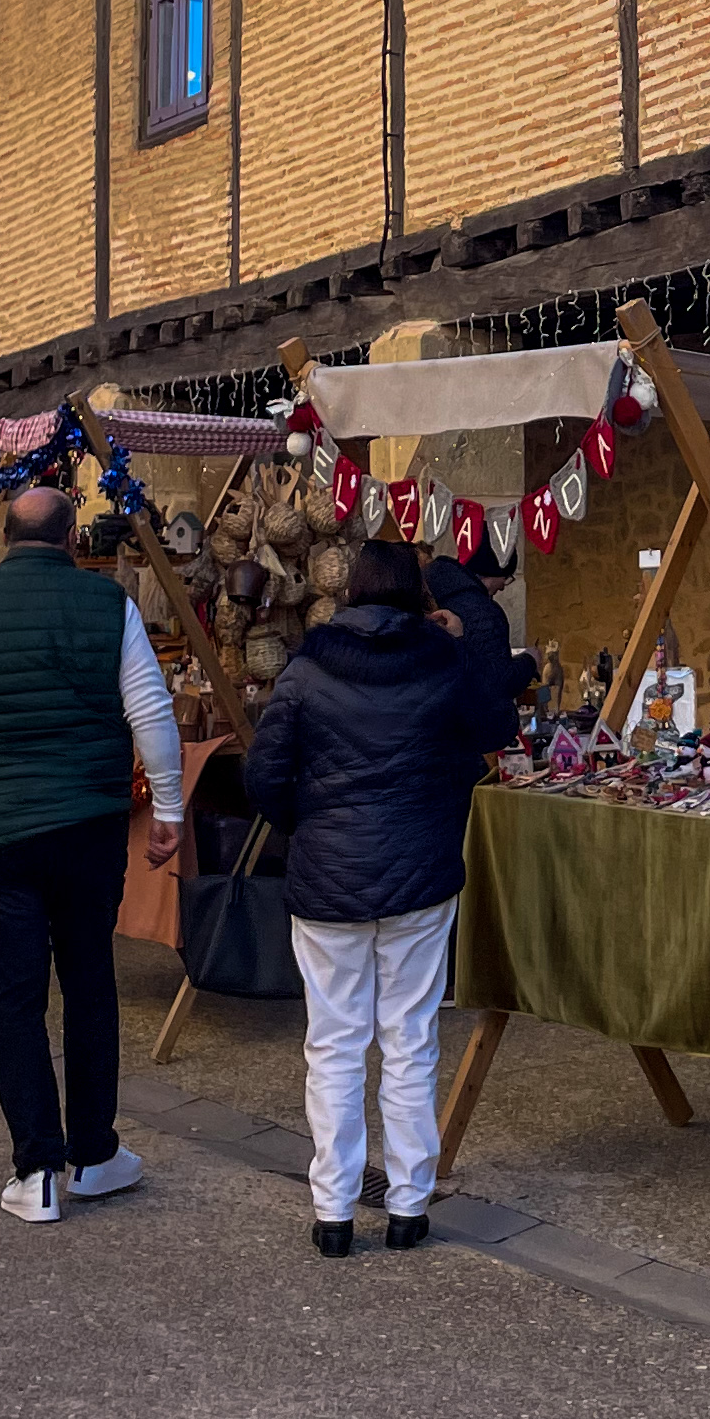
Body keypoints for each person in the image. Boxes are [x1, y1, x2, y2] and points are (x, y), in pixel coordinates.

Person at [0, 483, 185, 1227]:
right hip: (88, 824)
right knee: (89, 982)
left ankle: (37, 1171)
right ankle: (93, 1154)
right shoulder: (107, 604)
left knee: (14, 996)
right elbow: (150, 707)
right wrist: (171, 810)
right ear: (71, 536)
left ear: (5, 539)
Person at [245, 535, 511, 1258]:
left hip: (327, 879)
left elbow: (264, 776)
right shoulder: (445, 660)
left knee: (332, 1045)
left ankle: (332, 1211)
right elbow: (499, 726)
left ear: (351, 591)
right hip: (421, 873)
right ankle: (408, 1204)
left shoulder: (306, 667)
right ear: (416, 597)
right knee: (410, 1038)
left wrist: (313, 826)